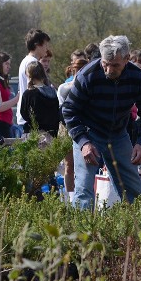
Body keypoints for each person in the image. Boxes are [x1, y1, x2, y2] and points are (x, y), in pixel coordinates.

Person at [62, 35, 141, 210]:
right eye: (106, 63)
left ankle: (135, 234)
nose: (109, 69)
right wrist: (83, 143)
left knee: (132, 190)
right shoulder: (88, 75)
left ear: (127, 59)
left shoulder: (137, 77)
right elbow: (69, 110)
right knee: (83, 189)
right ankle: (82, 236)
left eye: (115, 65)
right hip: (88, 133)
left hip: (118, 135)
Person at [57, 58, 89, 203]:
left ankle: (82, 195)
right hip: (67, 128)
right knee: (70, 165)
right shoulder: (65, 88)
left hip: (83, 128)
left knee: (81, 166)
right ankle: (71, 197)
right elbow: (62, 111)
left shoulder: (88, 86)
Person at [16, 28, 51, 133]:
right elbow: (34, 91)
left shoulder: (25, 61)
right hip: (32, 118)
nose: (47, 48)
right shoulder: (33, 63)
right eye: (45, 44)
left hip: (26, 115)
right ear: (37, 45)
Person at [20, 61, 59, 134]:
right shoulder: (53, 92)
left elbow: (24, 114)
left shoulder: (29, 93)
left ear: (29, 75)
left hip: (34, 133)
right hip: (51, 133)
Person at [0, 51, 19, 139]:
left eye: (9, 64)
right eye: (6, 64)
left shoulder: (2, 81)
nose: (9, 67)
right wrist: (17, 98)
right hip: (0, 124)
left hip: (6, 123)